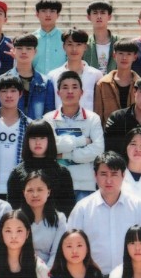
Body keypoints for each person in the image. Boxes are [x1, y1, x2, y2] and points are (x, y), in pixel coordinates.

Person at [69, 152, 141, 273]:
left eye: (114, 174)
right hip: (93, 277)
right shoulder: (82, 209)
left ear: (123, 175)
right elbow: (68, 243)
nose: (109, 180)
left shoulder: (137, 205)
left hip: (129, 276)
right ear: (95, 175)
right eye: (103, 174)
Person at [44, 71, 106, 201]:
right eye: (65, 87)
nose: (70, 91)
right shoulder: (48, 119)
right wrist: (82, 141)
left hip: (84, 185)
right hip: (55, 184)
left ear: (81, 92)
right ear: (58, 93)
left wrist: (64, 155)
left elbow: (98, 150)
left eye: (74, 87)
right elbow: (49, 147)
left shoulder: (93, 118)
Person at [7, 170, 66, 267]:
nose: (35, 194)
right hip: (20, 269)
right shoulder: (15, 218)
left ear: (48, 192)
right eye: (30, 190)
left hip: (49, 270)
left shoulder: (60, 219)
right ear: (24, 193)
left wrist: (45, 272)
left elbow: (56, 253)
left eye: (40, 190)